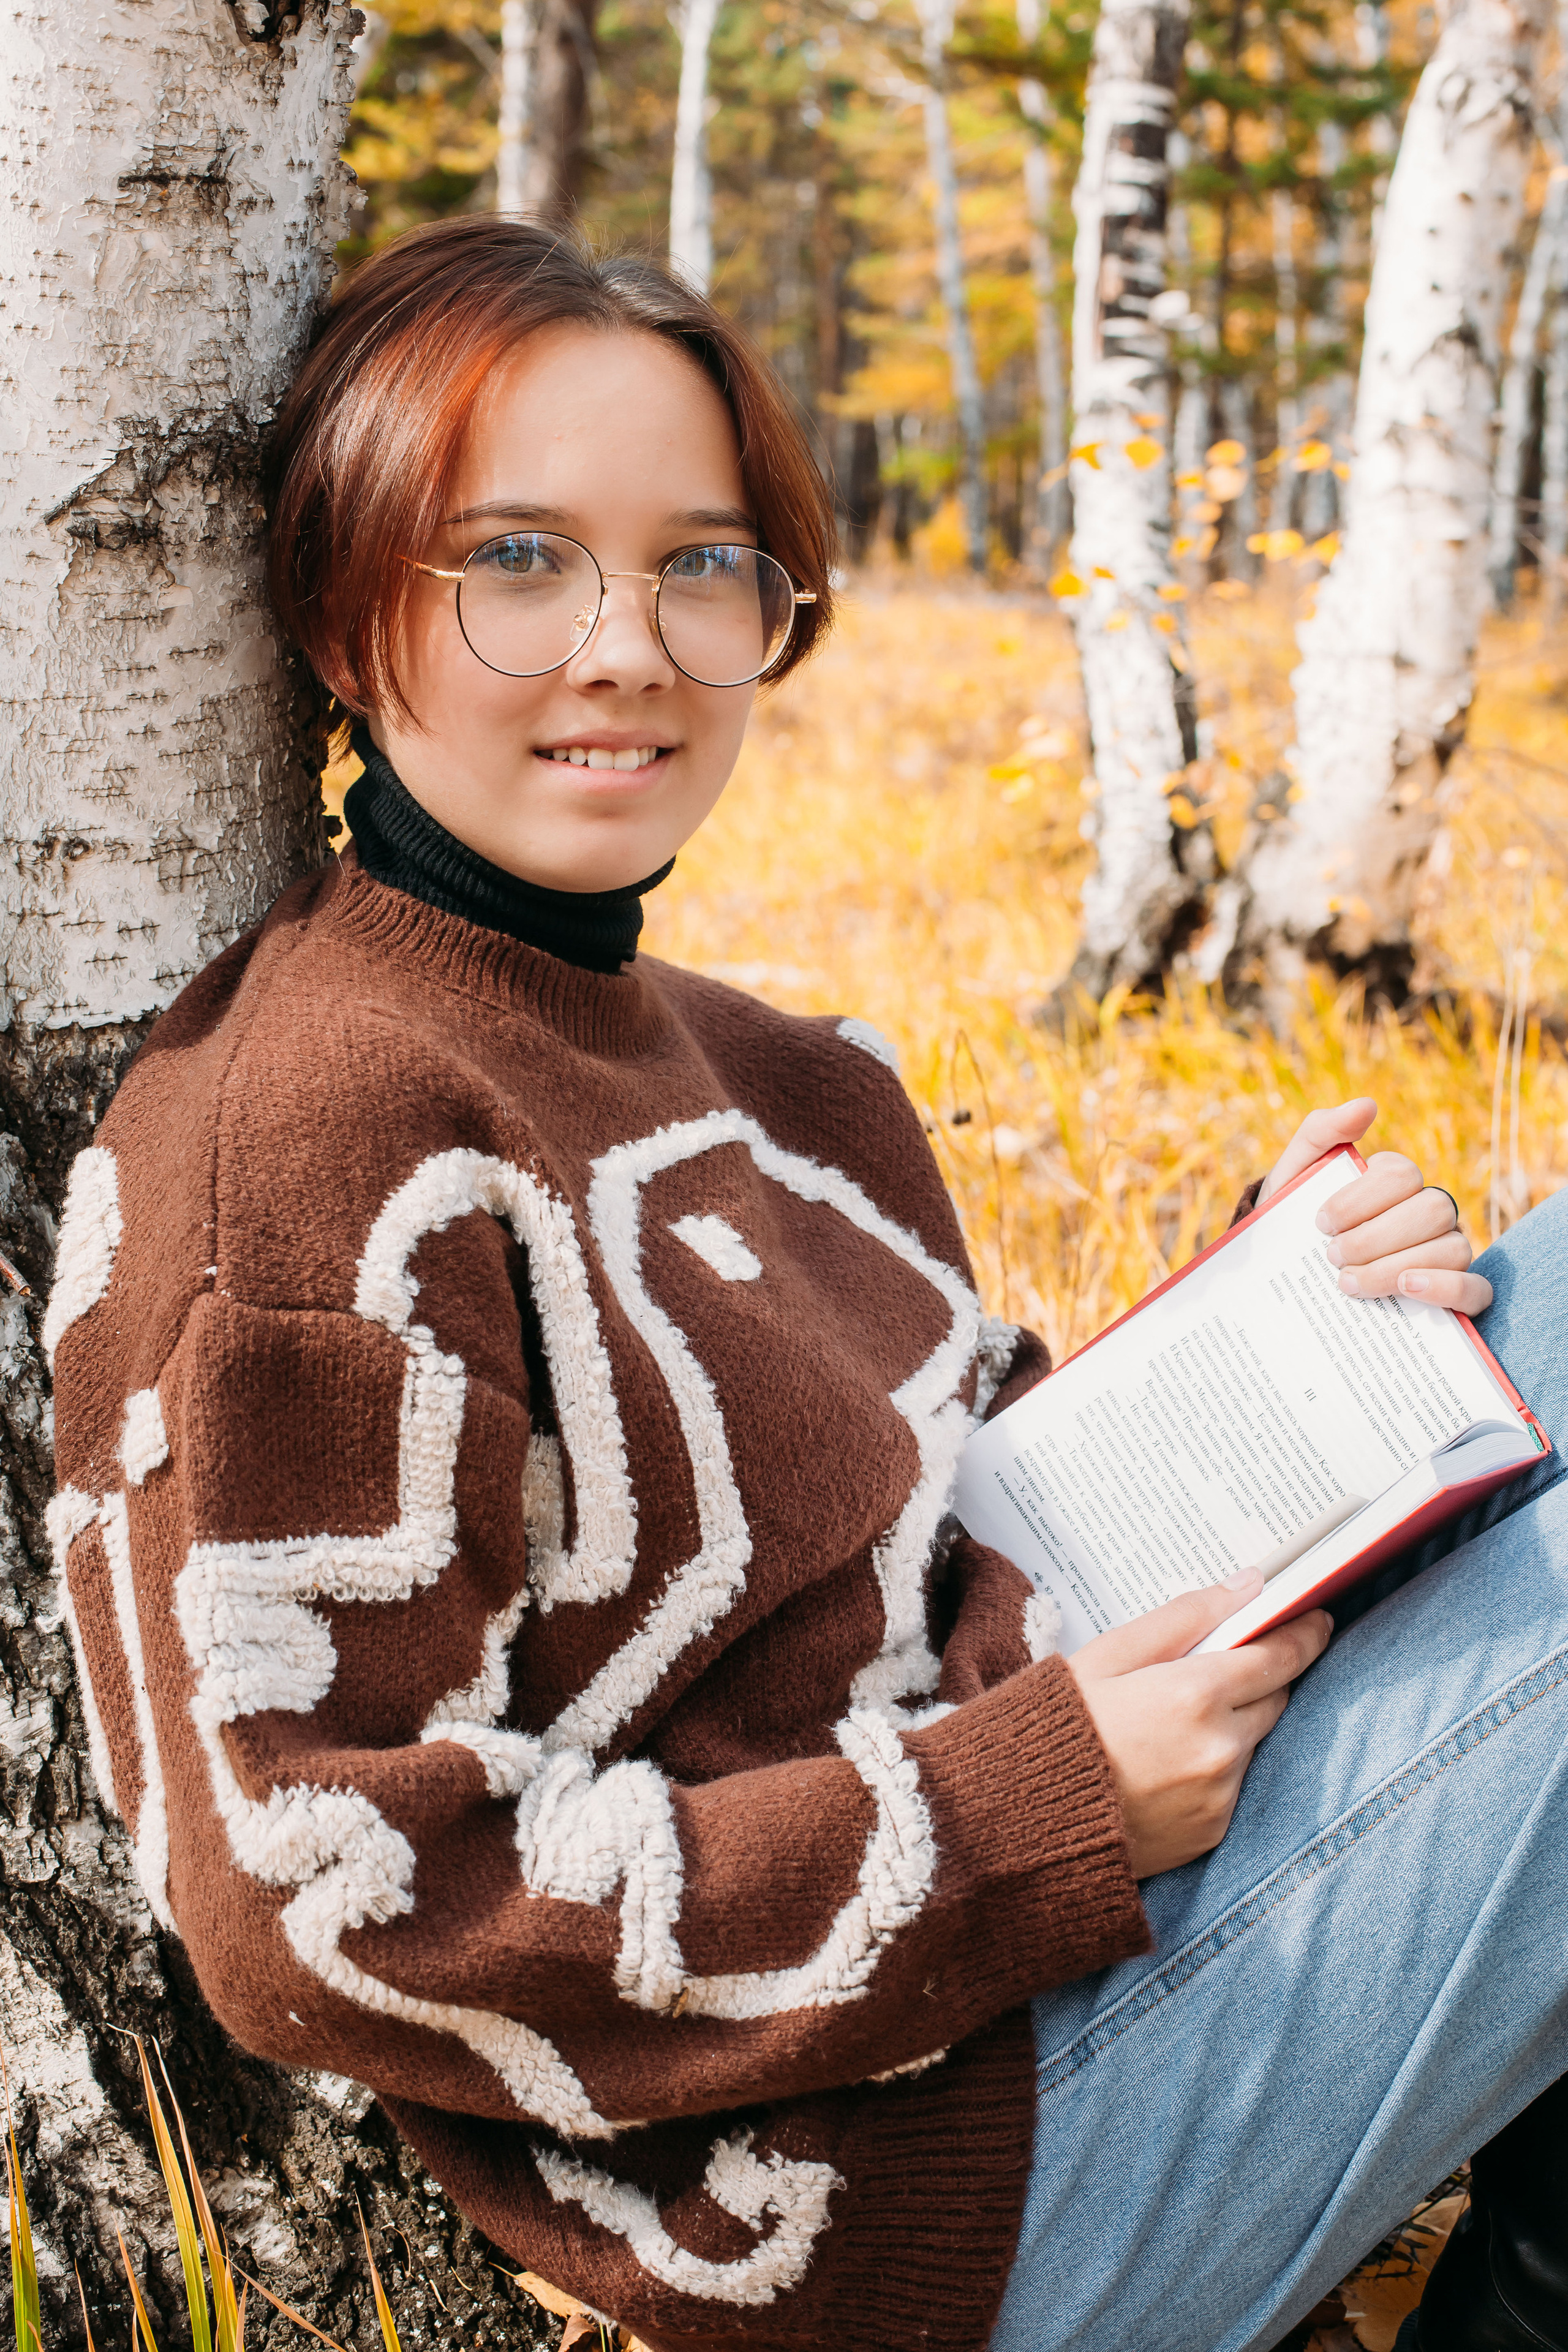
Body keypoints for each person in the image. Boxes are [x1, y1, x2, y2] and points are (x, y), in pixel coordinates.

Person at [44, 219, 1566, 2352]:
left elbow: (967, 1507)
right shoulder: (308, 1137)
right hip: (893, 2179)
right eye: (517, 561)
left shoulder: (788, 1078)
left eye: (701, 563)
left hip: (1092, 1923)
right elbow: (317, 1902)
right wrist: (1034, 1814)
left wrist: (1284, 1320)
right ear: (341, 606)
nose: (627, 647)